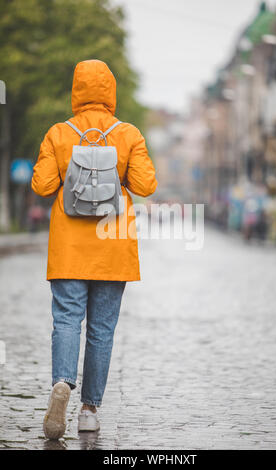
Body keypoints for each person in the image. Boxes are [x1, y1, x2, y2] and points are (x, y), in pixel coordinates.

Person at [31, 59, 157, 440]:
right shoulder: (128, 133)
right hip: (113, 247)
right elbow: (145, 184)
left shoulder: (58, 132)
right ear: (110, 92)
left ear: (76, 90)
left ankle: (62, 384)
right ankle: (89, 411)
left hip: (69, 248)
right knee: (102, 330)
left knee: (67, 320)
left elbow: (41, 185)